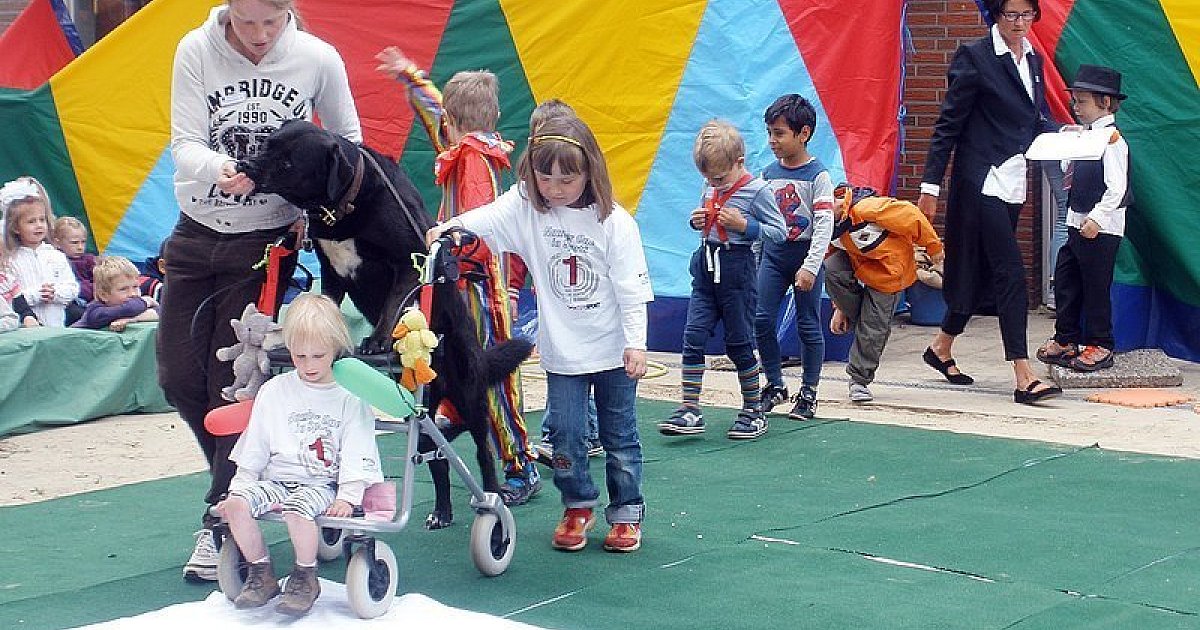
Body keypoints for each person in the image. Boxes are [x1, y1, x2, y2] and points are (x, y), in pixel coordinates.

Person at [163, 0, 361, 582]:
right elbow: (184, 141)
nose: (257, 35)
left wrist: (314, 209)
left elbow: (348, 142)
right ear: (227, 12)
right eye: (246, 22)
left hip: (267, 239)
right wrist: (217, 168)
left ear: (287, 13)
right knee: (178, 376)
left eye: (270, 22)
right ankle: (237, 484)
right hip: (196, 229)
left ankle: (220, 517)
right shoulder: (195, 49)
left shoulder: (317, 57)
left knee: (234, 382)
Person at [426, 114, 653, 553]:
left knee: (619, 434)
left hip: (613, 350)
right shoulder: (527, 207)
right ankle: (577, 503)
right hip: (563, 352)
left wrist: (636, 343)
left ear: (590, 172)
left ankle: (626, 511)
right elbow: (488, 218)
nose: (555, 187)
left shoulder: (615, 223)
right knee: (566, 435)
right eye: (544, 177)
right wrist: (452, 229)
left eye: (567, 178)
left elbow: (631, 289)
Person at [375, 46, 541, 505]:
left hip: (481, 284)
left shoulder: (473, 162)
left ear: (454, 123)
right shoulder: (463, 148)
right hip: (464, 280)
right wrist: (411, 77)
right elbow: (437, 115)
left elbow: (479, 219)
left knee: (492, 368)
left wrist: (451, 242)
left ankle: (519, 463)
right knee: (464, 361)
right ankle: (470, 420)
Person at [916, 0, 1063, 405]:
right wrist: (930, 186)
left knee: (980, 267)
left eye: (1027, 14)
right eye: (1011, 15)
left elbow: (1034, 121)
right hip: (980, 181)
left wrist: (1078, 139)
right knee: (1010, 271)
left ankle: (941, 348)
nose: (1020, 23)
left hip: (1013, 179)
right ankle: (1023, 373)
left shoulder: (1033, 59)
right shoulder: (975, 57)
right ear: (996, 16)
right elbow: (947, 125)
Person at [216, 293, 383, 616]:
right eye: (299, 356)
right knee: (235, 505)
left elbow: (357, 448)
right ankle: (260, 571)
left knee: (297, 509)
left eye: (318, 356)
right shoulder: (274, 391)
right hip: (278, 478)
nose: (308, 365)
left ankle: (305, 575)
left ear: (335, 348)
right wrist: (239, 488)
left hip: (320, 482)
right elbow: (256, 446)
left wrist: (348, 496)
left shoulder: (349, 395)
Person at [658, 120, 786, 440]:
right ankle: (690, 408)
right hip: (706, 268)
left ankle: (754, 410)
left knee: (739, 343)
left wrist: (747, 226)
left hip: (737, 270)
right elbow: (708, 220)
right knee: (693, 336)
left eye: (718, 177)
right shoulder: (710, 185)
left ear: (739, 162)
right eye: (707, 177)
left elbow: (780, 232)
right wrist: (696, 220)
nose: (713, 183)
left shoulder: (757, 190)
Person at [1036, 65, 1131, 373]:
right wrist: (1067, 144)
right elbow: (1068, 171)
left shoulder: (1113, 141)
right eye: (1075, 101)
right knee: (1066, 281)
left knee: (1095, 287)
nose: (1076, 108)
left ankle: (1101, 344)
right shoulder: (1085, 137)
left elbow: (1118, 188)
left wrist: (1098, 219)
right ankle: (1066, 338)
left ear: (1104, 102)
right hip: (1076, 223)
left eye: (1082, 102)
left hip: (1100, 230)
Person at [754, 94, 835, 420]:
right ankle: (774, 384)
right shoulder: (768, 173)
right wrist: (757, 259)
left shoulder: (819, 176)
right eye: (770, 133)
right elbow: (759, 219)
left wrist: (811, 266)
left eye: (780, 133)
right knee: (761, 319)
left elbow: (824, 224)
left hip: (804, 256)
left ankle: (809, 391)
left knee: (807, 324)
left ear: (803, 134)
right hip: (773, 255)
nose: (773, 140)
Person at [825, 185, 944, 402]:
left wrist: (934, 248)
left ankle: (859, 379)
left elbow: (912, 215)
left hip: (889, 271)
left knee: (874, 326)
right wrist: (840, 306)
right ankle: (868, 323)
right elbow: (834, 271)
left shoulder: (868, 209)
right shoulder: (826, 230)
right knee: (831, 267)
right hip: (857, 260)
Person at [0, 177, 79, 328]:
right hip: (27, 328)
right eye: (31, 222)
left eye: (41, 220)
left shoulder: (56, 255)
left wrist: (55, 293)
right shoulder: (10, 260)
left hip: (56, 325)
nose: (38, 226)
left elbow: (72, 288)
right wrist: (36, 295)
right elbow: (11, 297)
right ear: (16, 228)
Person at [70, 256, 160, 331]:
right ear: (103, 295)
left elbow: (161, 312)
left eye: (136, 287)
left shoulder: (135, 307)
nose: (133, 293)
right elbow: (129, 309)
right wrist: (146, 301)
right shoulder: (94, 311)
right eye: (123, 289)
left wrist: (133, 319)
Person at [52, 216, 96, 326]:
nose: (80, 247)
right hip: (71, 303)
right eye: (74, 243)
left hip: (92, 300)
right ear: (57, 243)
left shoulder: (89, 260)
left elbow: (99, 282)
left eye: (83, 242)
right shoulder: (56, 261)